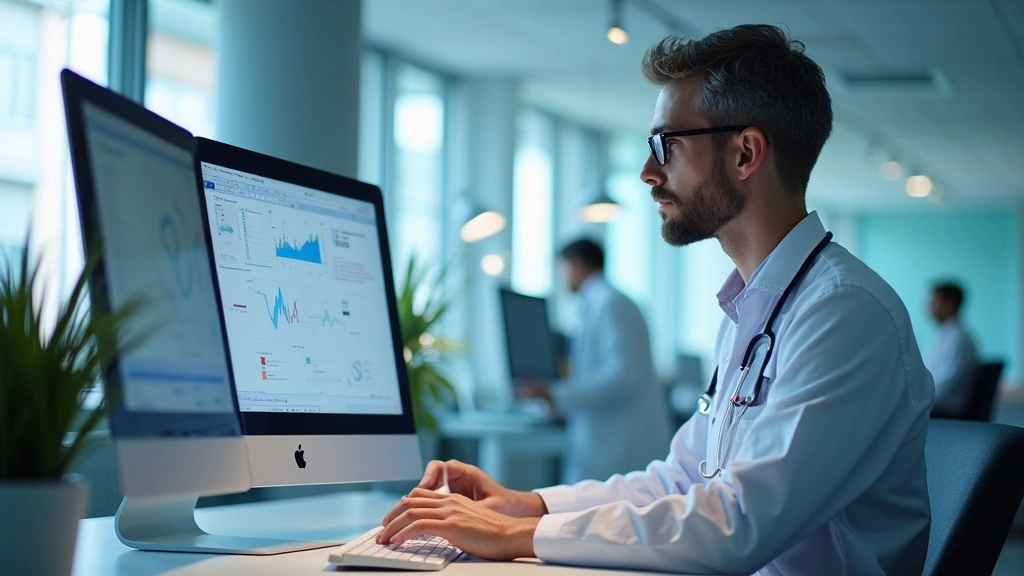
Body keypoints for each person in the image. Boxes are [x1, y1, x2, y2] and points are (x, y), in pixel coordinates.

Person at [377, 24, 934, 575]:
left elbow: (737, 525)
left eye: (666, 145)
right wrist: (531, 505)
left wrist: (521, 535)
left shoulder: (842, 311)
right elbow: (683, 480)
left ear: (745, 153)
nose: (648, 173)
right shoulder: (755, 310)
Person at [516, 239, 672, 485]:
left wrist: (554, 392)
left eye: (562, 270)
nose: (562, 278)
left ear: (575, 265)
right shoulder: (600, 303)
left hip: (620, 445)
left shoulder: (610, 303)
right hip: (606, 439)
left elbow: (623, 377)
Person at [925, 282, 979, 418]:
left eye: (933, 302)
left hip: (946, 412)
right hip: (937, 406)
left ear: (950, 304)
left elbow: (944, 386)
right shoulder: (945, 336)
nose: (929, 307)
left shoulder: (958, 340)